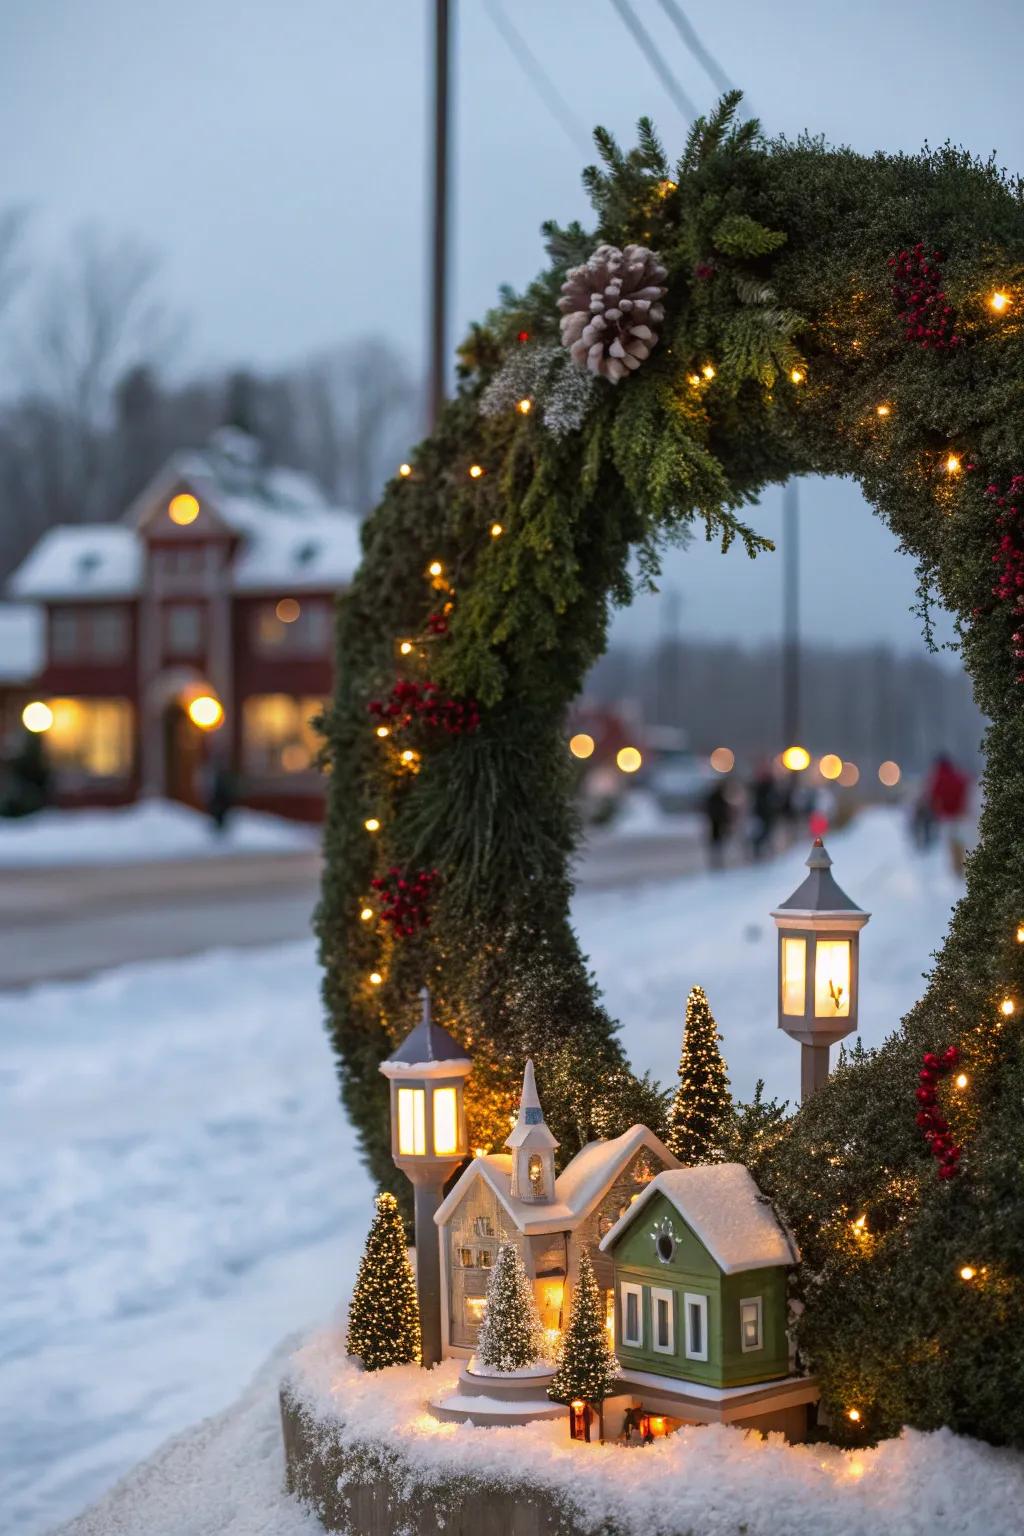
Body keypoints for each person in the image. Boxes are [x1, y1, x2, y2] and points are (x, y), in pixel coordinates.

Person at [924, 754, 971, 876]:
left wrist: (936, 812)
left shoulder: (938, 778)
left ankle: (956, 870)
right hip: (960, 815)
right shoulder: (958, 775)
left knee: (951, 843)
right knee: (961, 843)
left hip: (946, 817)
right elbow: (967, 787)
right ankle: (963, 866)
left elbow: (932, 797)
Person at [748, 764, 777, 861]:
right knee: (759, 835)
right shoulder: (757, 788)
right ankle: (759, 853)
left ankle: (765, 852)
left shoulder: (768, 788)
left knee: (765, 834)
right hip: (760, 816)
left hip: (766, 816)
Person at [703, 780, 733, 869]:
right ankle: (716, 860)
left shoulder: (716, 798)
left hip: (717, 823)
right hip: (717, 823)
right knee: (717, 842)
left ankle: (717, 860)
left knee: (717, 843)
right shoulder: (718, 798)